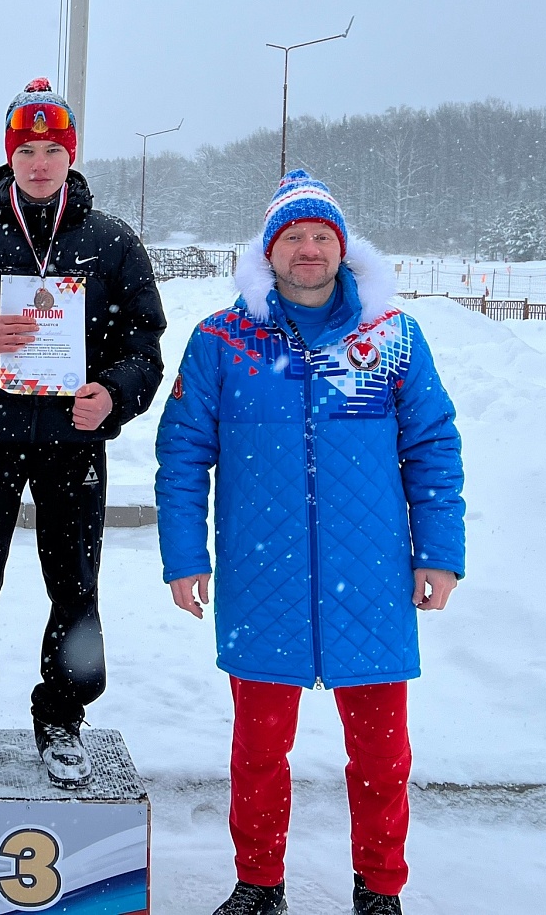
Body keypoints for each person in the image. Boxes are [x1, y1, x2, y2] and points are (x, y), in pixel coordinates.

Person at [154, 170, 465, 915]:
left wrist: (439, 551)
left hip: (373, 579)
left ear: (342, 247)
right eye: (292, 236)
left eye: (321, 235)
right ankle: (259, 883)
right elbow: (183, 454)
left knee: (382, 756)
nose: (308, 249)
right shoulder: (221, 340)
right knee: (259, 752)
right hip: (264, 580)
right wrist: (185, 557)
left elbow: (432, 444)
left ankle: (380, 888)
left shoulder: (390, 336)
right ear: (268, 252)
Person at [0, 77, 166, 789]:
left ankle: (62, 717)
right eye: (27, 149)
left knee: (75, 583)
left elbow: (144, 343)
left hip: (73, 442)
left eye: (53, 149)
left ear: (71, 155)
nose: (40, 163)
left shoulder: (111, 243)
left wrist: (111, 396)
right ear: (9, 156)